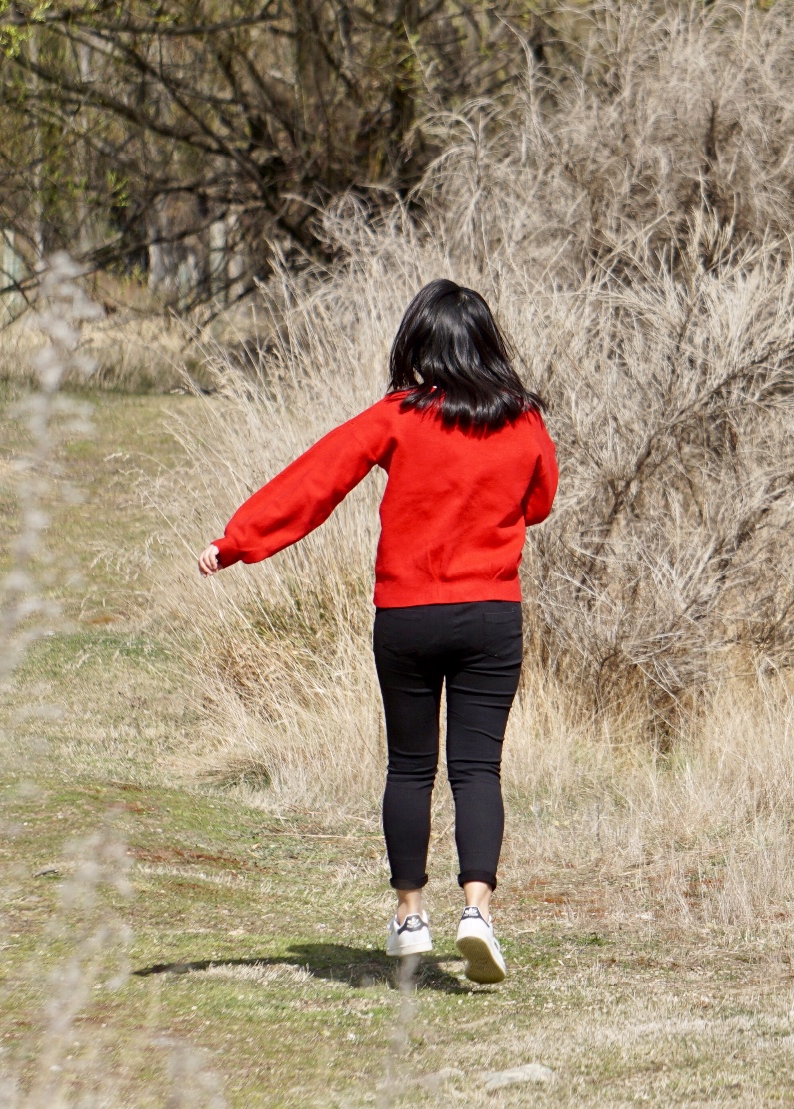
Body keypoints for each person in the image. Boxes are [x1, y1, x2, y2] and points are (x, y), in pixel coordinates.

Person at [198, 279, 558, 985]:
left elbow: (315, 482)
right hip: (491, 613)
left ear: (418, 344)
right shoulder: (523, 421)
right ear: (486, 343)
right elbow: (540, 502)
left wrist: (237, 541)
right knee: (478, 768)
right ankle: (477, 911)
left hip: (408, 615)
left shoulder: (398, 416)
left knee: (411, 767)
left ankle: (409, 914)